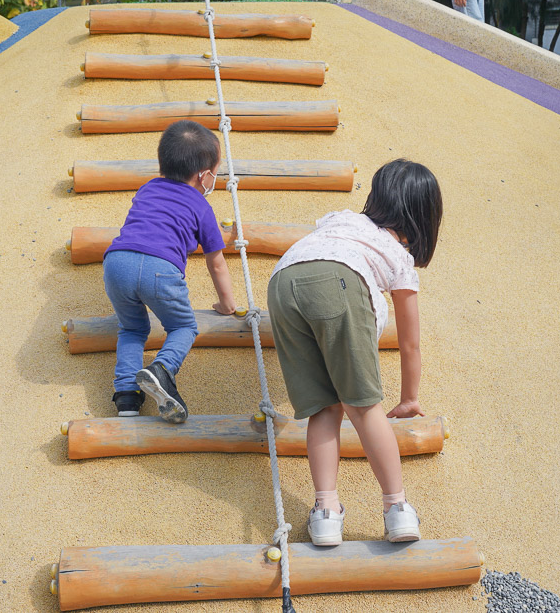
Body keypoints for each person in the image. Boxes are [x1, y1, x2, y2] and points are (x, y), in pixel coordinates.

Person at [267, 159, 442, 546]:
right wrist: (410, 398)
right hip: (339, 280)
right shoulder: (399, 256)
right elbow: (409, 341)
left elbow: (314, 259)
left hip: (282, 283)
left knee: (324, 408)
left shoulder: (341, 220)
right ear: (424, 214)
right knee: (363, 407)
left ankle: (326, 512)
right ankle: (397, 510)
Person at [102, 120, 237, 422]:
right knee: (183, 328)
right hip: (160, 270)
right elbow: (216, 263)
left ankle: (126, 398)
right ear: (204, 176)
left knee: (133, 329)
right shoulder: (202, 207)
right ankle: (162, 368)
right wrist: (227, 305)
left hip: (116, 262)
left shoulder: (147, 187)